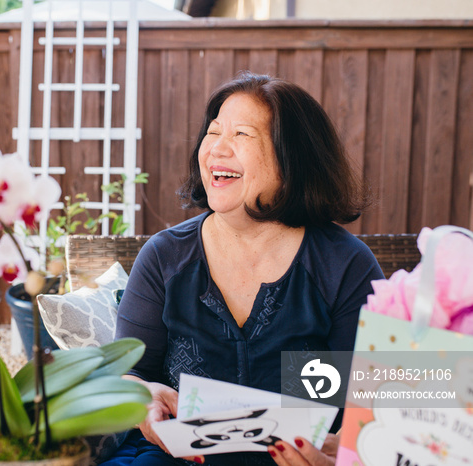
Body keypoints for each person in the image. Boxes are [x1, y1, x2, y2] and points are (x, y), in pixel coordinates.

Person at [101, 72, 384, 466]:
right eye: (213, 131)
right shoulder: (164, 257)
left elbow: (378, 408)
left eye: (242, 135)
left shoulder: (345, 267)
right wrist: (142, 395)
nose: (216, 148)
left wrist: (346, 455)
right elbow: (130, 373)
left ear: (292, 158)